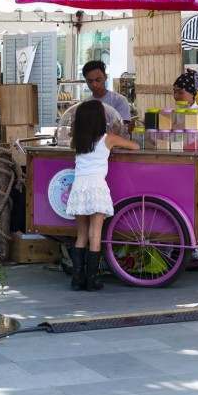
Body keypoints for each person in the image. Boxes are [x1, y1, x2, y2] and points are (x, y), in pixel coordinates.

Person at [64, 99, 139, 291]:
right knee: (95, 234)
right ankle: (92, 280)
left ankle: (77, 279)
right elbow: (135, 147)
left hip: (79, 187)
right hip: (97, 187)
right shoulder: (109, 139)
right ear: (100, 119)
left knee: (81, 235)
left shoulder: (77, 140)